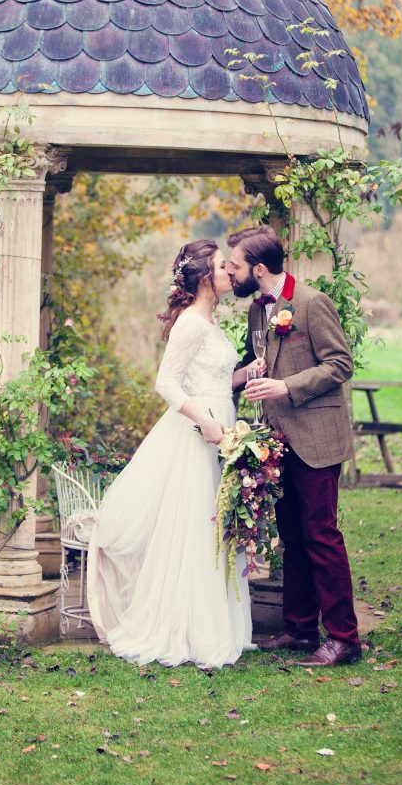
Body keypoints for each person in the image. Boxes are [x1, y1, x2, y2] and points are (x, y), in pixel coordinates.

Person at [87, 239, 263, 668]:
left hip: (222, 431)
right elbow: (167, 383)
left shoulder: (210, 321)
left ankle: (213, 625)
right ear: (205, 276)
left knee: (215, 527)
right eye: (224, 266)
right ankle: (183, 628)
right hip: (196, 434)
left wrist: (248, 372)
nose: (231, 272)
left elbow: (218, 381)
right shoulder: (191, 324)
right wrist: (203, 421)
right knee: (195, 530)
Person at [227, 225, 361, 667]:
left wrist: (285, 386)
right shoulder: (256, 310)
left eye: (235, 266)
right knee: (292, 538)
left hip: (317, 440)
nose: (230, 273)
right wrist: (254, 374)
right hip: (278, 444)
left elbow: (340, 363)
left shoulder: (310, 302)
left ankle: (343, 639)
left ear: (259, 269)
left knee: (322, 536)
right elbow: (260, 361)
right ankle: (301, 629)